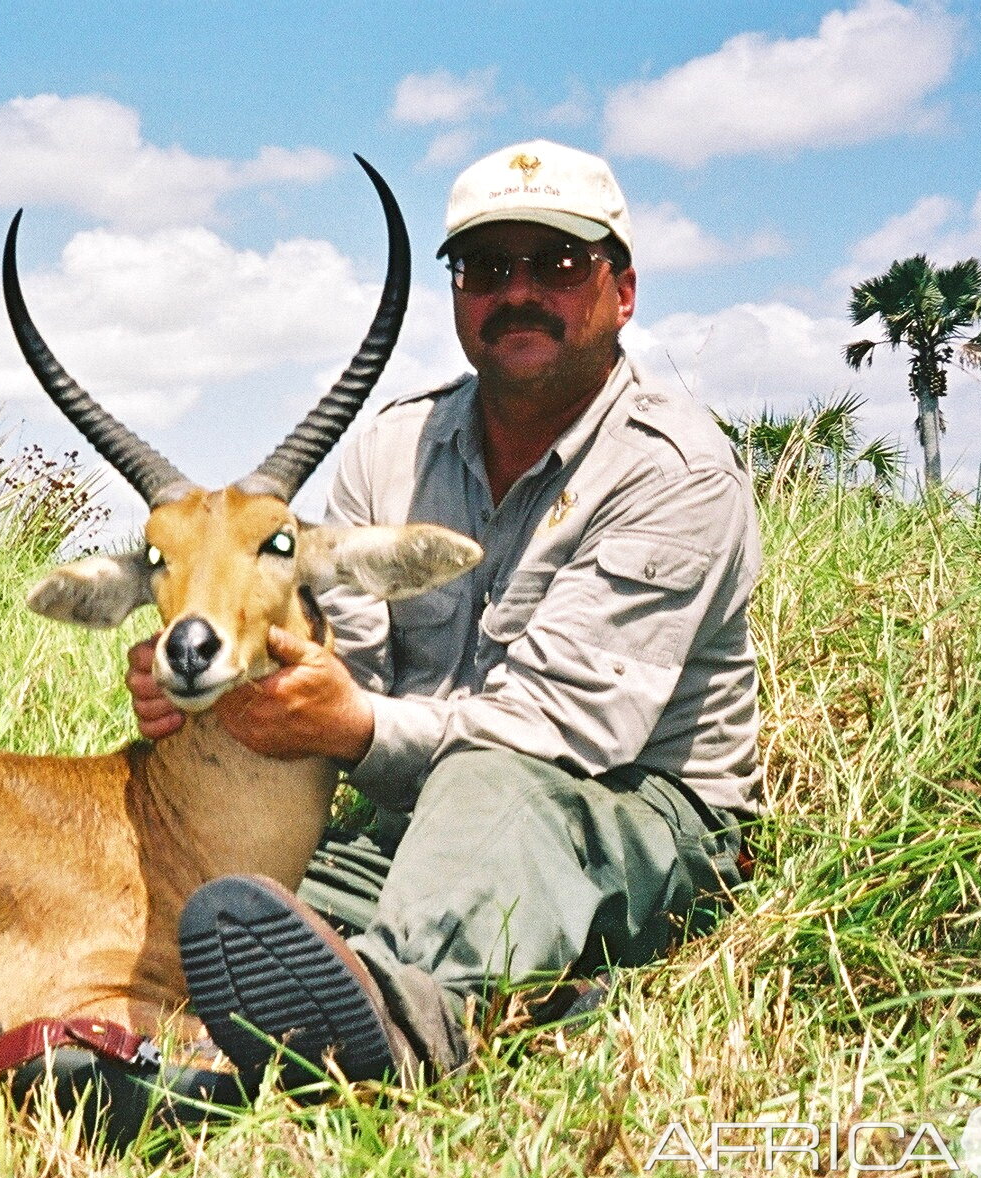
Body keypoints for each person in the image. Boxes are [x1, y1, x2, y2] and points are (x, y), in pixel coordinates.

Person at [136, 139, 762, 1086]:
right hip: (422, 820)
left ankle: (390, 1035)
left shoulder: (675, 474)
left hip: (636, 813)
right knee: (226, 903)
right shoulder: (392, 448)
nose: (520, 291)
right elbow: (352, 677)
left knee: (489, 784)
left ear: (621, 292)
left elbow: (555, 732)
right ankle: (139, 1047)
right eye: (485, 268)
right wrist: (227, 676)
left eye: (557, 265)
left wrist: (346, 722)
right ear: (459, 295)